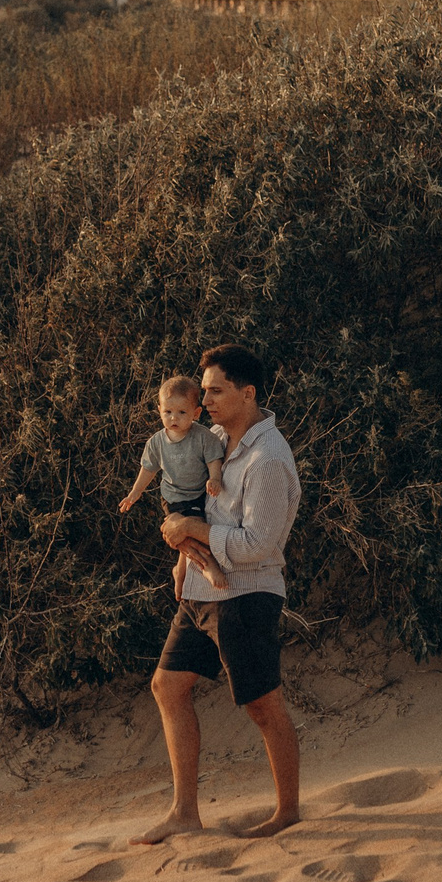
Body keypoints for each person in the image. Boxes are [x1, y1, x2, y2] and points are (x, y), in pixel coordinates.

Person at [132, 344, 303, 845]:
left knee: (263, 705)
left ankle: (287, 813)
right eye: (203, 390)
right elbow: (200, 507)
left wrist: (192, 530)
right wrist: (183, 553)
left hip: (247, 595)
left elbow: (259, 544)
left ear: (247, 394)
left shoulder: (268, 459)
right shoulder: (214, 441)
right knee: (167, 686)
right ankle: (184, 812)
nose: (203, 400)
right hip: (201, 590)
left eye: (214, 391)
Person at [119, 374, 231, 590]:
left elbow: (213, 459)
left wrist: (215, 478)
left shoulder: (203, 437)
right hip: (173, 497)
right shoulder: (156, 442)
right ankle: (208, 566)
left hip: (198, 494)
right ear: (159, 410)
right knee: (190, 528)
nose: (174, 418)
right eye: (168, 412)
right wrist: (135, 493)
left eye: (182, 412)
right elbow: (148, 469)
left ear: (196, 413)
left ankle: (180, 570)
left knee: (193, 528)